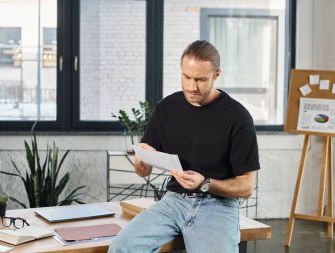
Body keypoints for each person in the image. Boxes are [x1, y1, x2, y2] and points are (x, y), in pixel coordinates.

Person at [108, 40, 260, 253]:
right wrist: (141, 159)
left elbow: (246, 187)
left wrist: (205, 183)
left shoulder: (238, 118)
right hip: (173, 202)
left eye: (200, 79)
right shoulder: (166, 109)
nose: (191, 87)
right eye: (186, 77)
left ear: (216, 75)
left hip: (218, 206)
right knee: (121, 248)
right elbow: (143, 172)